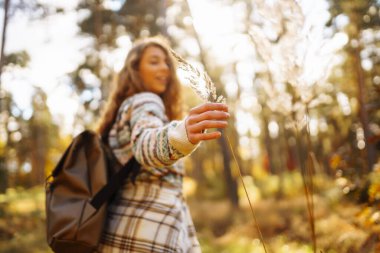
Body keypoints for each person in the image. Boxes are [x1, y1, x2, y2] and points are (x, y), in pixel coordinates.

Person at [95, 36, 229, 253]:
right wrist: (181, 135)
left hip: (121, 233)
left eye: (167, 62)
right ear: (134, 69)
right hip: (144, 238)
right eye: (154, 61)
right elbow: (145, 144)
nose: (165, 68)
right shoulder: (145, 101)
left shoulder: (124, 110)